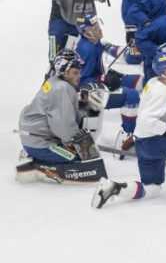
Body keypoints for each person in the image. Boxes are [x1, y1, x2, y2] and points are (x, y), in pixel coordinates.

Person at [91, 50, 166, 209]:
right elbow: (147, 120)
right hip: (155, 142)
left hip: (144, 144)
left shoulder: (154, 82)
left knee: (153, 189)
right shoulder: (162, 91)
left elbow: (148, 114)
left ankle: (114, 187)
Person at [16, 49, 107, 183]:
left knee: (84, 151)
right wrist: (79, 145)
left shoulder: (54, 82)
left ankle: (32, 155)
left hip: (33, 138)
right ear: (64, 71)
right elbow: (63, 126)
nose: (79, 76)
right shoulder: (62, 89)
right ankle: (40, 168)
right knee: (83, 157)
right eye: (75, 72)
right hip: (41, 143)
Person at [74, 14, 142, 146]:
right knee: (132, 96)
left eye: (97, 25)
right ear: (84, 32)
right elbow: (80, 82)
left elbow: (113, 49)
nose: (98, 30)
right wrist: (103, 80)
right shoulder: (85, 49)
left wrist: (133, 49)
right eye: (93, 28)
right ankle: (125, 137)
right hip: (89, 94)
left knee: (140, 81)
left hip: (98, 81)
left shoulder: (95, 42)